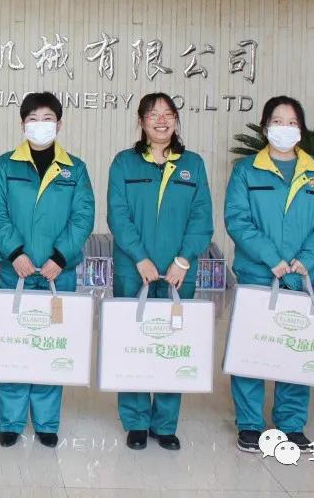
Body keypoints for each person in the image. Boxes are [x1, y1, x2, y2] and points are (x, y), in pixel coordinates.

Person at [225, 96, 314, 454]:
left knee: (297, 350)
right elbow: (237, 219)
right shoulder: (247, 171)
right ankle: (250, 424)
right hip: (259, 274)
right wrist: (271, 258)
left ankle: (291, 424)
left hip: (304, 275)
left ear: (301, 129)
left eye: (292, 122)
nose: (285, 128)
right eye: (277, 121)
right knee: (252, 350)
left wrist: (307, 258)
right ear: (265, 127)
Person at [0, 92, 94, 448]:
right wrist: (15, 252)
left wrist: (60, 257)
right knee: (13, 344)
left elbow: (83, 216)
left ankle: (46, 422)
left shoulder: (76, 169)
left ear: (59, 125)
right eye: (33, 118)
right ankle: (11, 421)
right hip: (13, 271)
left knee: (51, 346)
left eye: (47, 118)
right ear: (23, 124)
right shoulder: (5, 166)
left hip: (57, 274)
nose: (40, 125)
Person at [106, 93, 212, 451]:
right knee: (133, 343)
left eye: (168, 114)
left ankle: (165, 423)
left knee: (172, 345)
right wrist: (139, 257)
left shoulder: (192, 165)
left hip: (178, 272)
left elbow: (202, 216)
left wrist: (183, 259)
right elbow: (118, 214)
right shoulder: (124, 163)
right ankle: (136, 421)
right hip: (133, 269)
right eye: (153, 114)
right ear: (141, 121)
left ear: (176, 120)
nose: (161, 120)